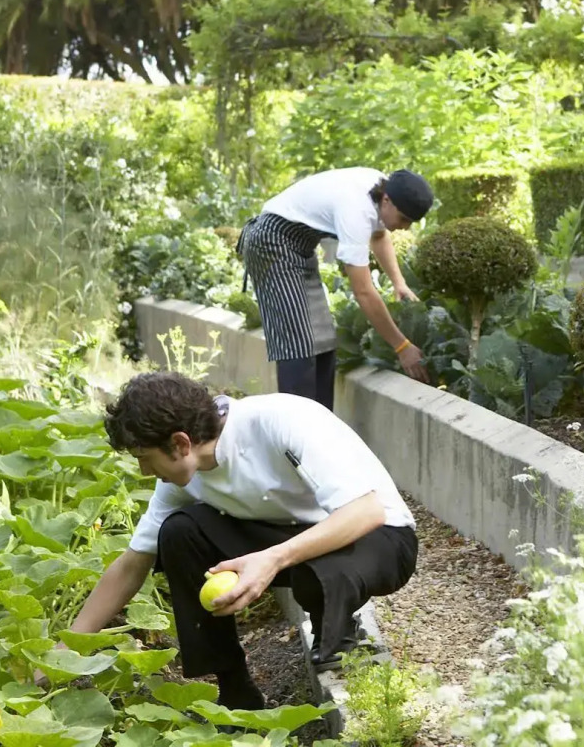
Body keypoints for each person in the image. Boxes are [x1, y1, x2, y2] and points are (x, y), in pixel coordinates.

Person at [67, 371, 418, 709]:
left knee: (318, 575)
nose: (144, 471)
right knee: (178, 533)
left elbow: (367, 511)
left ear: (180, 443)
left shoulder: (279, 419)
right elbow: (131, 566)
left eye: (145, 458)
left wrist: (274, 559)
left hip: (381, 537)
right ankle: (235, 692)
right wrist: (63, 654)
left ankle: (338, 630)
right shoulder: (180, 480)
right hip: (294, 540)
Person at [237, 167, 433, 410]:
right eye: (404, 219)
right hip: (271, 242)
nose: (406, 228)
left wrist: (398, 282)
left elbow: (379, 236)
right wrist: (402, 347)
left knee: (324, 342)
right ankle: (295, 434)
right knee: (298, 348)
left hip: (300, 246)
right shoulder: (356, 210)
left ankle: (322, 425)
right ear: (387, 200)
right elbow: (363, 291)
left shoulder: (383, 188)